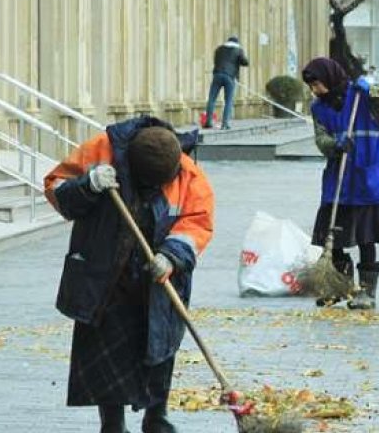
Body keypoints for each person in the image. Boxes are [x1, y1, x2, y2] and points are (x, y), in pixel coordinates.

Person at [44, 116, 215, 433]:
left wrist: (172, 256)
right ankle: (112, 423)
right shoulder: (101, 150)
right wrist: (89, 184)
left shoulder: (187, 170)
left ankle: (156, 417)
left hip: (159, 279)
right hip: (105, 275)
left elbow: (198, 221)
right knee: (106, 354)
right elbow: (56, 188)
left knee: (160, 348)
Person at [301, 57, 379, 310]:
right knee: (331, 238)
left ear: (330, 78)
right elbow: (320, 139)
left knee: (366, 239)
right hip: (338, 182)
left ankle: (366, 293)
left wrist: (372, 90)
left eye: (317, 84)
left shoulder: (363, 99)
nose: (315, 90)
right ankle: (340, 287)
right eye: (311, 86)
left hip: (367, 179)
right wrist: (335, 145)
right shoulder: (319, 108)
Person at [205, 35, 249, 130]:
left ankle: (208, 122)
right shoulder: (238, 50)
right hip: (229, 77)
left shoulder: (219, 49)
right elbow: (245, 62)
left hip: (217, 75)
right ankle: (225, 124)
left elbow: (216, 61)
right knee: (228, 101)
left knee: (212, 99)